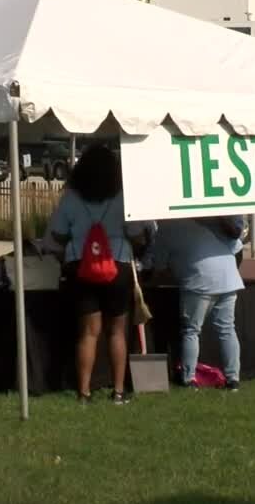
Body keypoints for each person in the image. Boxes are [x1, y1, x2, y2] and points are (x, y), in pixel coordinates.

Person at [48, 144, 149, 405]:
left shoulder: (71, 197)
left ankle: (83, 392)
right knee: (117, 331)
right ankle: (117, 391)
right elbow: (136, 233)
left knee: (88, 332)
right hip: (117, 264)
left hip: (81, 266)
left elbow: (57, 234)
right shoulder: (123, 197)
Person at [151, 218, 244, 391]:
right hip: (228, 277)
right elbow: (237, 247)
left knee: (191, 330)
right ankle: (233, 379)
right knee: (227, 329)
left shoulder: (167, 226)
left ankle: (189, 379)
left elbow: (158, 264)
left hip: (199, 280)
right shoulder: (207, 216)